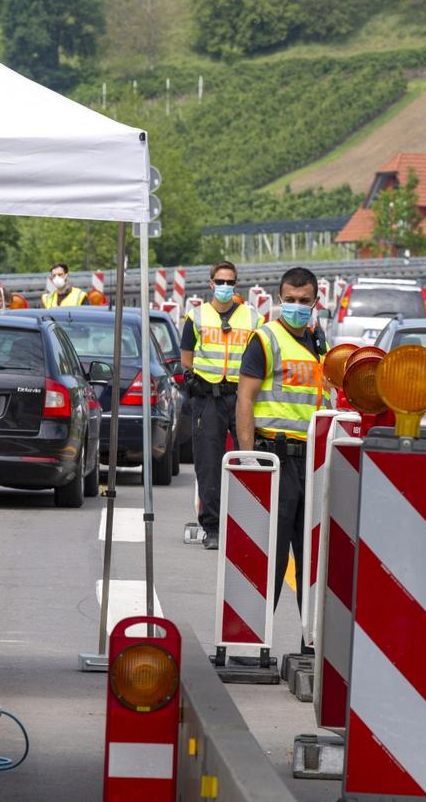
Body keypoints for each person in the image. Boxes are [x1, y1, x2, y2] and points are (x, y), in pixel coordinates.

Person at [235, 266, 328, 616]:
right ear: (279, 299)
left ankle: (313, 644)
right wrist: (247, 460)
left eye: (304, 301)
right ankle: (253, 639)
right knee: (269, 555)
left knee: (313, 559)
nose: (296, 306)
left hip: (315, 462)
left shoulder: (322, 346)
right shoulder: (265, 339)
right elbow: (245, 399)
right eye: (290, 300)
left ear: (315, 301)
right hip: (275, 459)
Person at [181, 261, 262, 550]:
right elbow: (186, 359)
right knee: (208, 463)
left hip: (242, 398)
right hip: (209, 398)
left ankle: (248, 524)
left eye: (231, 282)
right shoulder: (197, 317)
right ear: (211, 283)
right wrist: (196, 383)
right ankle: (212, 527)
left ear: (236, 285)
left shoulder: (253, 318)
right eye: (221, 281)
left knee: (250, 458)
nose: (226, 287)